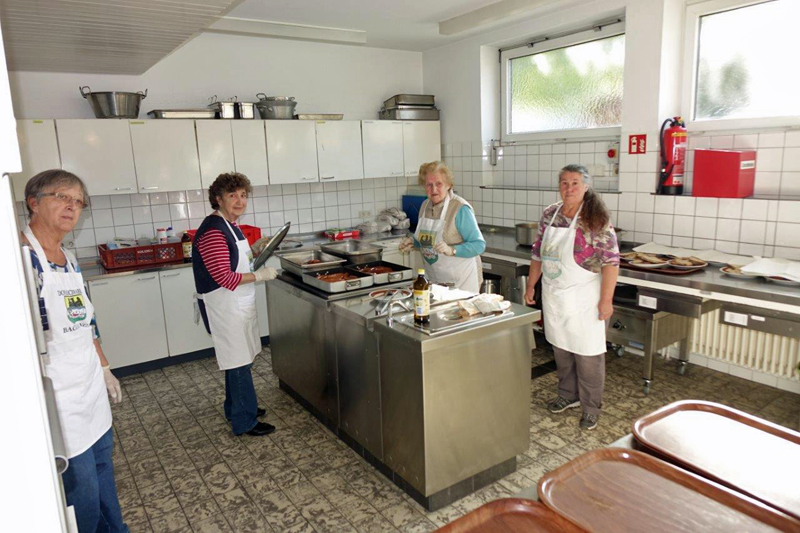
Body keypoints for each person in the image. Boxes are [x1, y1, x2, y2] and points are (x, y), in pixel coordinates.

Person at [22, 169, 127, 532]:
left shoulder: (67, 258)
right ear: (34, 203)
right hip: (57, 395)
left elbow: (86, 322)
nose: (71, 206)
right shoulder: (20, 260)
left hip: (89, 384)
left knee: (102, 468)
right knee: (80, 487)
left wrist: (104, 367)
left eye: (78, 201)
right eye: (62, 197)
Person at [524, 164, 619, 431]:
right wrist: (531, 285)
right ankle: (568, 395)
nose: (569, 188)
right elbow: (537, 253)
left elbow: (611, 261)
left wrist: (606, 300)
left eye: (575, 182)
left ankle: (591, 408)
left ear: (586, 186)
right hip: (555, 294)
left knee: (588, 356)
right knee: (561, 349)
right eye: (564, 182)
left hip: (584, 297)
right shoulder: (550, 214)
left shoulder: (595, 218)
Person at [193, 172, 278, 437]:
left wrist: (256, 250)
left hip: (236, 302)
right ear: (218, 199)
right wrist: (261, 275)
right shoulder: (213, 231)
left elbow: (234, 262)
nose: (240, 201)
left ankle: (235, 407)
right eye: (233, 196)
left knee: (238, 359)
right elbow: (225, 277)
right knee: (239, 362)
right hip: (224, 305)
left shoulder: (230, 224)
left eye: (243, 195)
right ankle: (245, 421)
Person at [399, 161, 485, 293]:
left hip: (461, 283)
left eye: (439, 184)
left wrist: (452, 250)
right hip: (436, 282)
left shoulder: (460, 208)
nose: (434, 190)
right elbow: (429, 242)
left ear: (448, 185)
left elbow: (479, 245)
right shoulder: (425, 206)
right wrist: (413, 242)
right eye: (429, 185)